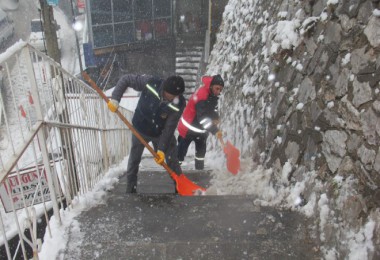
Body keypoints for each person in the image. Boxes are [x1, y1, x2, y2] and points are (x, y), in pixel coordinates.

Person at [107, 74, 186, 193]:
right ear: (165, 89)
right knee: (134, 159)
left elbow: (170, 127)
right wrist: (115, 99)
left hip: (160, 133)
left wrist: (161, 149)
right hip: (140, 128)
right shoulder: (151, 83)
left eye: (176, 96)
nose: (173, 98)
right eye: (171, 95)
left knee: (172, 160)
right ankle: (131, 188)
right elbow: (126, 79)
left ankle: (180, 187)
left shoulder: (179, 103)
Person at [177, 74, 224, 170]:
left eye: (220, 90)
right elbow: (202, 118)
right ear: (211, 86)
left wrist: (216, 117)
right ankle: (174, 173)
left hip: (201, 131)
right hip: (188, 129)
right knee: (180, 154)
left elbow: (212, 109)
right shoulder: (202, 95)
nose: (218, 92)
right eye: (217, 88)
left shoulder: (213, 95)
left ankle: (199, 174)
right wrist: (215, 130)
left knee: (201, 154)